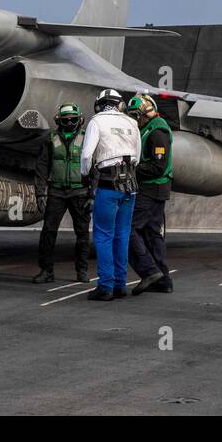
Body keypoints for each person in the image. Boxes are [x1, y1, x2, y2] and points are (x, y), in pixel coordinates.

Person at [81, 89, 141, 302]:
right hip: (130, 185)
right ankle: (120, 285)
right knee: (122, 234)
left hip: (108, 185)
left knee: (103, 235)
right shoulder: (132, 123)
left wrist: (84, 176)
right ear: (119, 104)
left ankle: (105, 285)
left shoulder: (96, 122)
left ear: (99, 104)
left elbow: (87, 155)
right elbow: (138, 156)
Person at [31, 103, 93, 284]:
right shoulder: (50, 139)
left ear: (79, 119)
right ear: (59, 120)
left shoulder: (86, 139)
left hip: (80, 192)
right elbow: (42, 167)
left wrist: (92, 194)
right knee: (48, 232)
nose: (69, 123)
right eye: (66, 120)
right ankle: (46, 271)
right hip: (56, 192)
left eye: (73, 120)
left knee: (82, 234)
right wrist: (40, 193)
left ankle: (82, 271)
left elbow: (93, 167)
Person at [125, 94, 174, 294]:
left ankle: (149, 271)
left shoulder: (157, 131)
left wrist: (131, 167)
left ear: (148, 113)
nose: (135, 120)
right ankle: (164, 281)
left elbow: (157, 167)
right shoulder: (147, 128)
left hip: (152, 188)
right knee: (152, 234)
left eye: (138, 116)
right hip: (155, 188)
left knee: (128, 229)